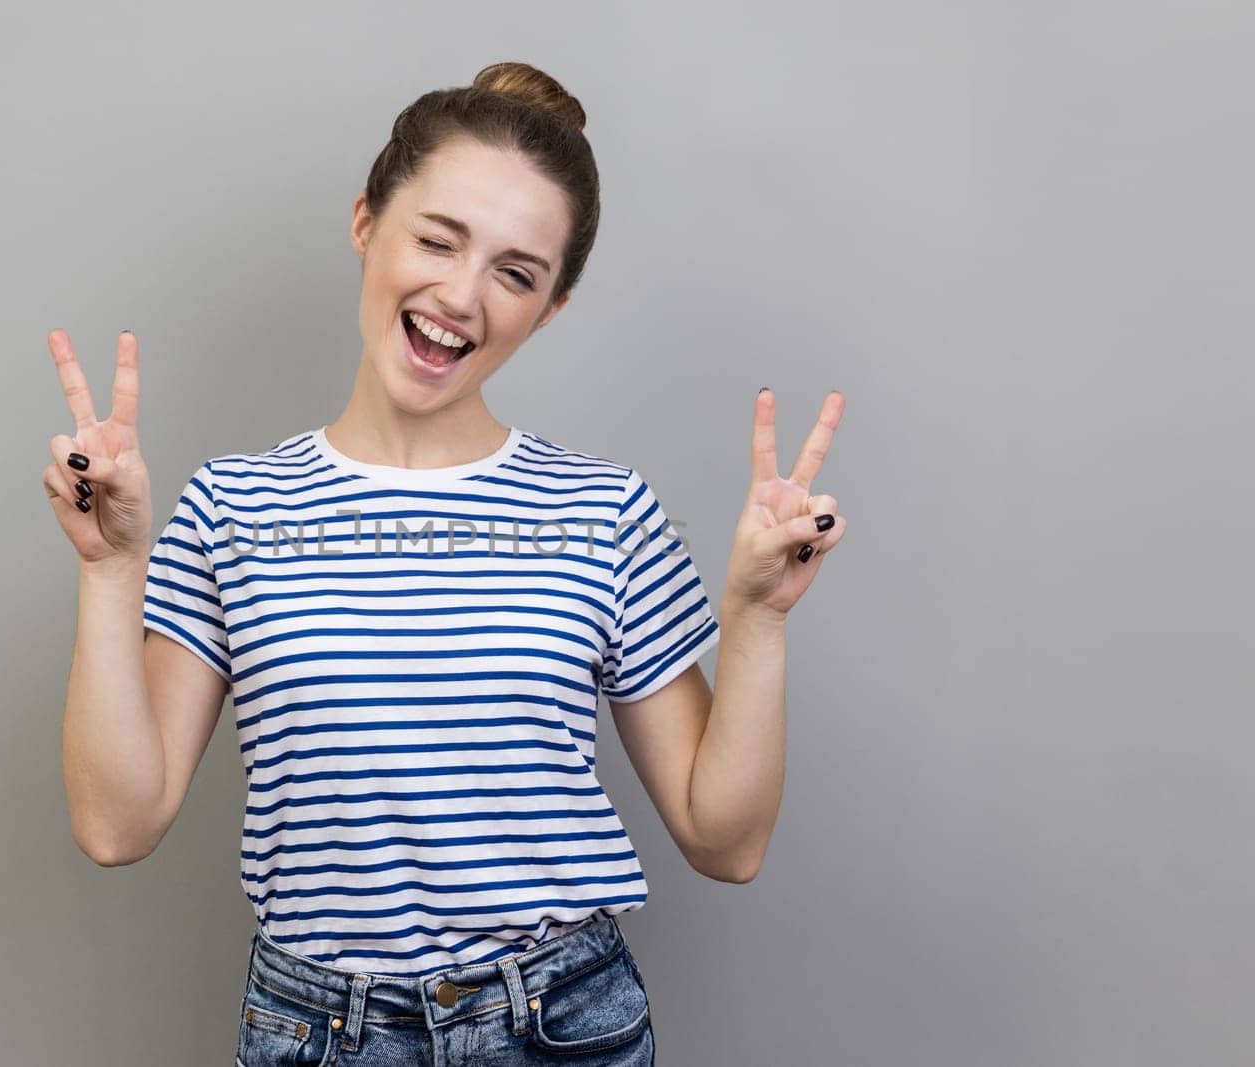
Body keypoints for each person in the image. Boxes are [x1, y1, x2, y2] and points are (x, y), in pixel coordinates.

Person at [44, 61, 846, 1066]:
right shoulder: (232, 506)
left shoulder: (602, 513)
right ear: (365, 222)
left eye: (516, 272)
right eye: (436, 238)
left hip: (559, 1026)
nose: (460, 295)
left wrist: (758, 620)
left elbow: (726, 842)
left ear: (548, 306)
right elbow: (117, 824)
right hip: (317, 1032)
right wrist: (114, 569)